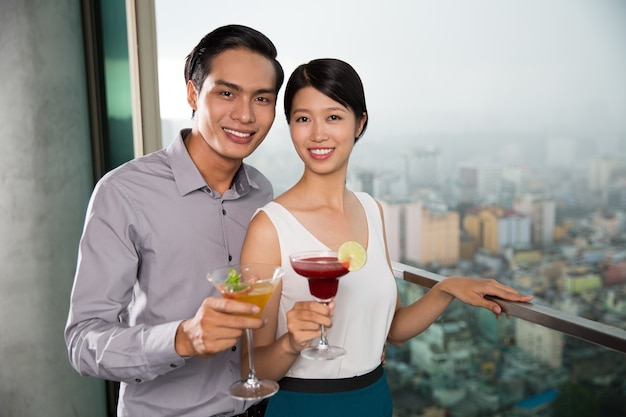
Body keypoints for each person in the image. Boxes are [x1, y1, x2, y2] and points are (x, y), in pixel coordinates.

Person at [239, 58, 534, 416]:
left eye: (334, 117)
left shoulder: (371, 209)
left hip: (375, 397)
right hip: (302, 404)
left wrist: (446, 288)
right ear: (290, 126)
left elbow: (392, 330)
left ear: (359, 123)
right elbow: (251, 369)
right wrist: (291, 343)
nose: (317, 133)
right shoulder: (269, 227)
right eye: (303, 118)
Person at [64, 24, 284, 417]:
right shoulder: (124, 192)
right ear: (193, 93)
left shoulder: (262, 193)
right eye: (227, 92)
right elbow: (83, 342)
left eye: (262, 98)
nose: (245, 114)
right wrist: (182, 338)